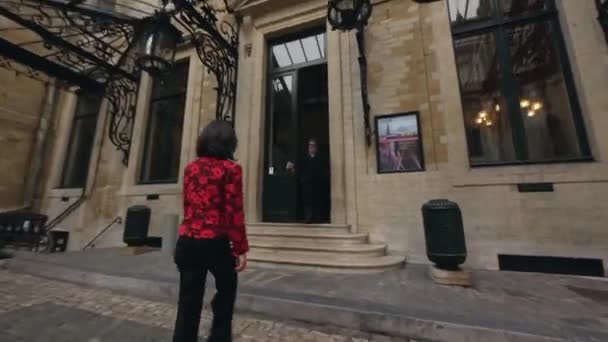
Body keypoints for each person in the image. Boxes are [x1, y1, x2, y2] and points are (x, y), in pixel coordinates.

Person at [173, 120, 249, 342]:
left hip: (187, 240)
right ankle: (219, 337)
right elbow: (234, 212)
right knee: (227, 289)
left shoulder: (191, 169)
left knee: (188, 302)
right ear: (230, 143)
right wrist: (240, 248)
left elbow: (188, 205)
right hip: (215, 242)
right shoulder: (231, 169)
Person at [299, 138, 328, 223]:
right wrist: (302, 179)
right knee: (307, 201)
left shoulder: (320, 156)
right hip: (307, 182)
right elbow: (300, 168)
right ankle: (308, 217)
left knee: (317, 200)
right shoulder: (304, 156)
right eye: (310, 145)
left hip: (317, 182)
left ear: (316, 147)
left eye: (313, 145)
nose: (312, 147)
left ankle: (317, 217)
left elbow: (324, 169)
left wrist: (322, 178)